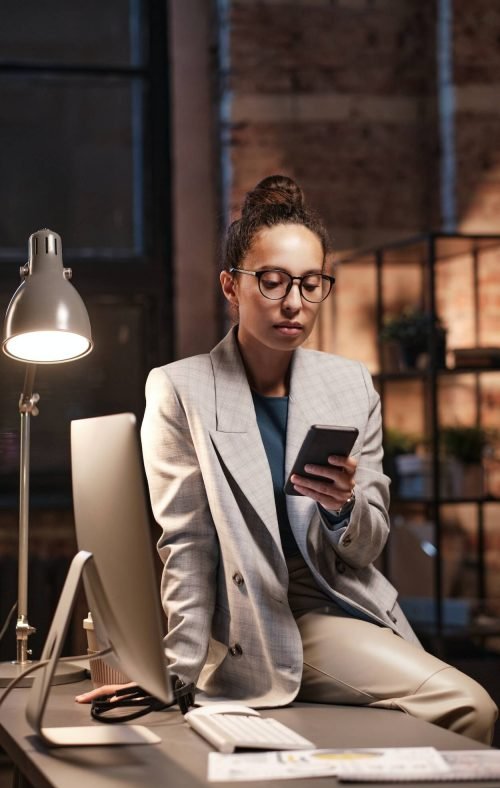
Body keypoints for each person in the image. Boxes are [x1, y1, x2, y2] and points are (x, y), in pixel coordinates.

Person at [77, 175, 497, 744]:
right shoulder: (182, 389)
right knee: (470, 706)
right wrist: (175, 671)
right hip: (273, 620)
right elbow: (188, 544)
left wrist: (343, 506)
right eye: (272, 283)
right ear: (232, 286)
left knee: (452, 718)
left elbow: (370, 547)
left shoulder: (349, 384)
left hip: (356, 605)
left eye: (311, 283)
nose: (294, 303)